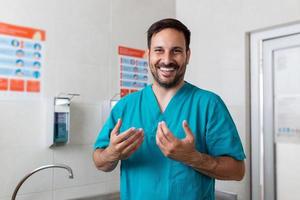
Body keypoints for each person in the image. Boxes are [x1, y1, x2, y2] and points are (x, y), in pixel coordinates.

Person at [93, 18, 245, 200]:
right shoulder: (126, 106)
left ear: (187, 55)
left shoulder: (208, 104)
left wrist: (192, 157)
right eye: (159, 51)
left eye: (176, 51)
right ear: (148, 54)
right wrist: (112, 153)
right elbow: (99, 160)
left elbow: (237, 171)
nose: (167, 60)